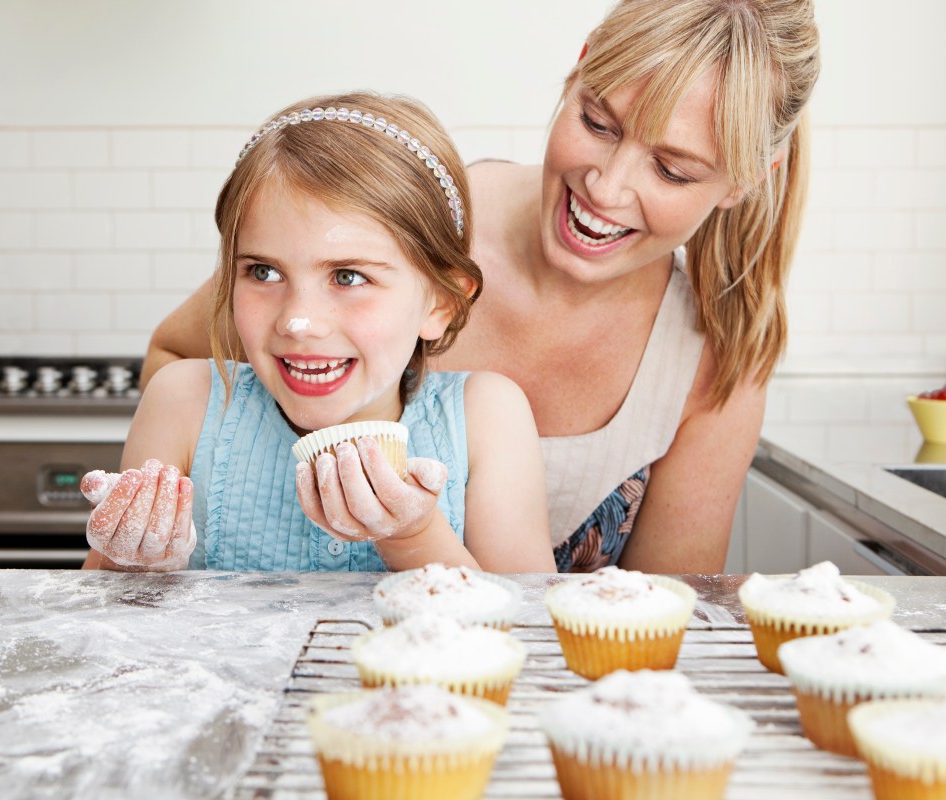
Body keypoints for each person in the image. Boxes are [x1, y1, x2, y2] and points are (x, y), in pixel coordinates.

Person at [139, 0, 821, 574]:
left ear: (748, 177)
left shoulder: (713, 355)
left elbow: (654, 621)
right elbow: (184, 367)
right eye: (597, 122)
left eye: (672, 170)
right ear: (580, 64)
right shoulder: (401, 233)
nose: (607, 189)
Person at [82, 91, 556, 574]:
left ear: (441, 303)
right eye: (264, 272)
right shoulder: (183, 403)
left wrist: (414, 537)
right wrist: (133, 563)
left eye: (348, 276)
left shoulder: (486, 419)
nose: (297, 322)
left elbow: (524, 625)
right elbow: (104, 621)